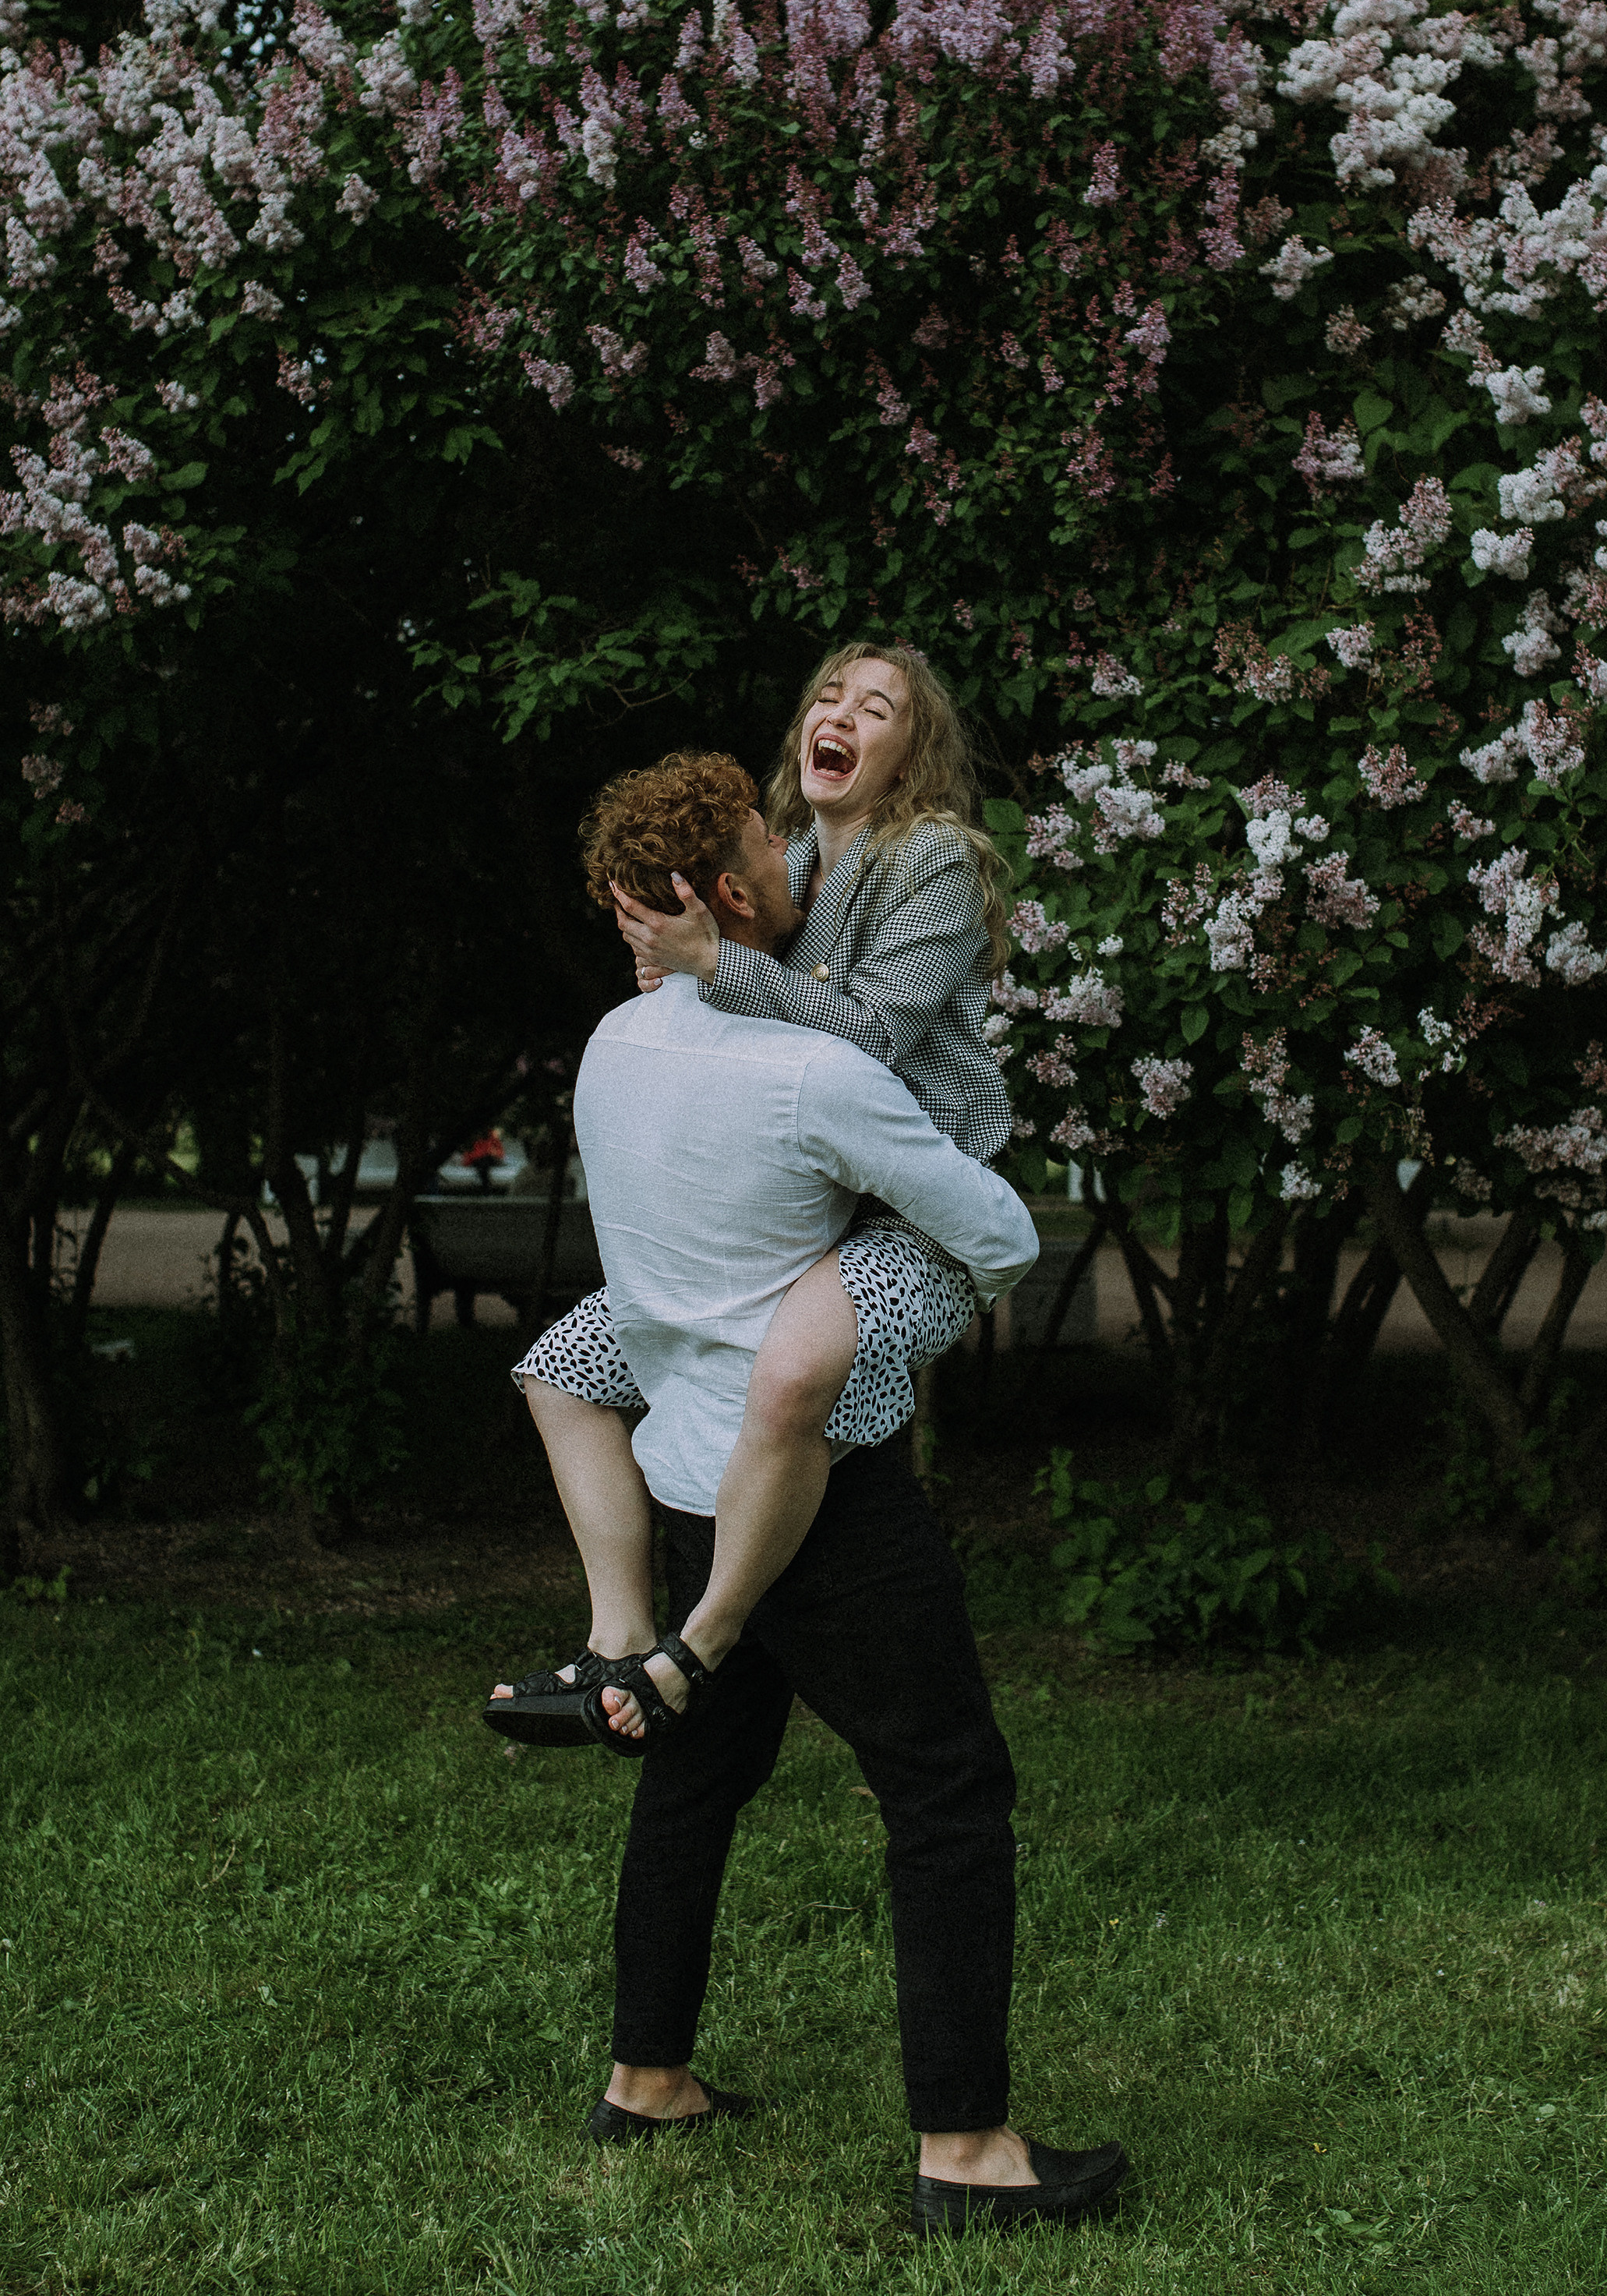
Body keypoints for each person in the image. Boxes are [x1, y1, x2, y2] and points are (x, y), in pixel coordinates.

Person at [521, 751, 1127, 2231]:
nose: (797, 852)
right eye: (767, 846)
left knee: (696, 1772)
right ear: (729, 897)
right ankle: (970, 2153)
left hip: (676, 1463)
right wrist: (859, 1279)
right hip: (819, 1493)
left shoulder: (611, 1045)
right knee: (945, 1784)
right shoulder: (817, 1072)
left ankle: (647, 2073)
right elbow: (997, 1229)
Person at [487, 641, 1014, 1743]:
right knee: (561, 1365)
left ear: (913, 756)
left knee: (792, 1371)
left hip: (915, 1213)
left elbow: (867, 1035)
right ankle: (617, 1636)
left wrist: (711, 964)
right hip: (810, 1209)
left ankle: (705, 1638)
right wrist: (674, 969)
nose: (844, 713)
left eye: (879, 708)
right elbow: (738, 1000)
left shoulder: (931, 863)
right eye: (829, 692)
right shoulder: (797, 873)